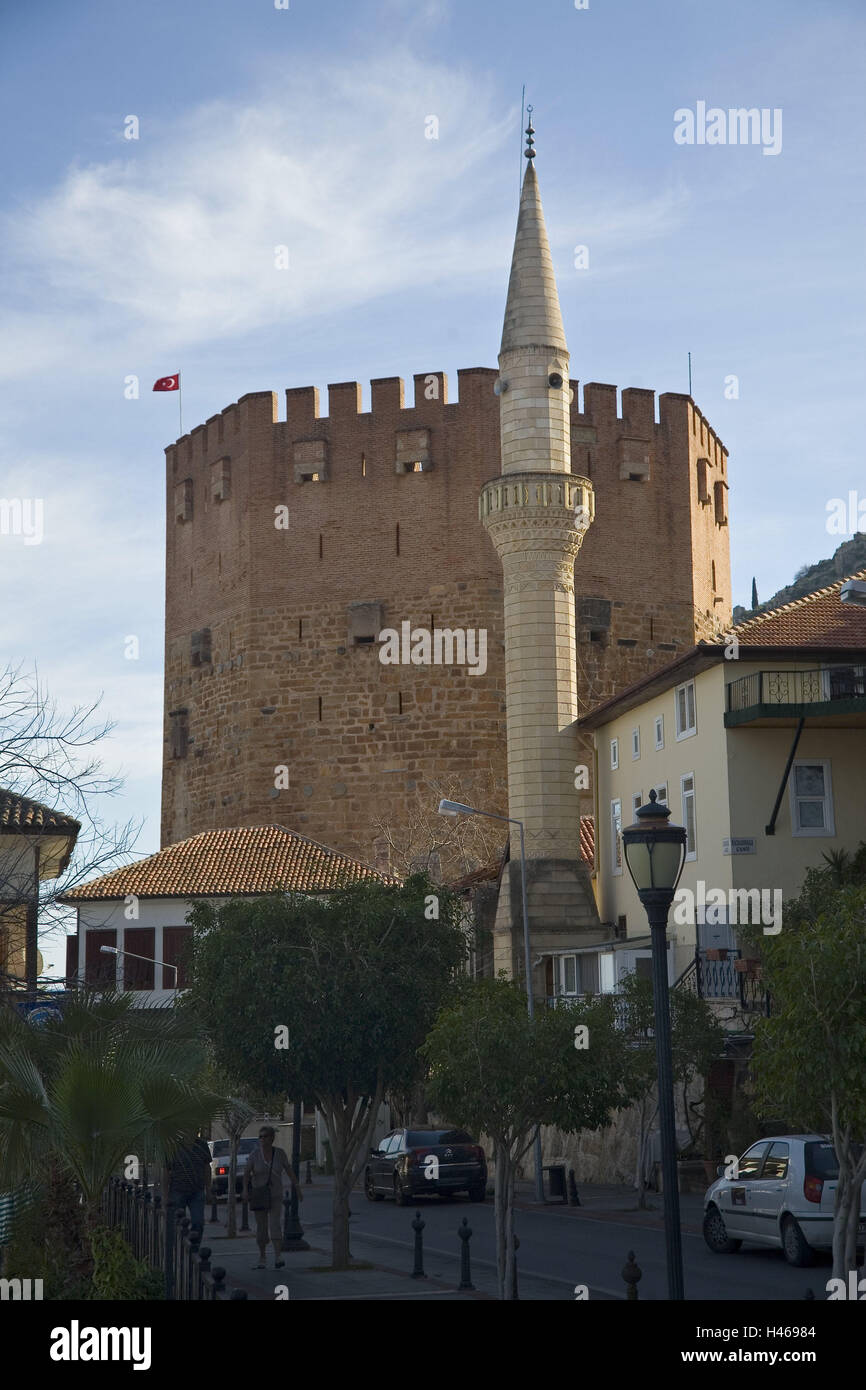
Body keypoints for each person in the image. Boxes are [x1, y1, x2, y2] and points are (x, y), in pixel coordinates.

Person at [244, 1125, 302, 1270]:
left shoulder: (280, 1154)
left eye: (265, 1136)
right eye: (260, 1137)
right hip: (259, 1195)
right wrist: (245, 1190)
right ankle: (262, 1256)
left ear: (272, 1138)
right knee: (261, 1227)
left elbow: (288, 1170)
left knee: (275, 1224)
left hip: (275, 1194)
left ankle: (278, 1256)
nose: (262, 1139)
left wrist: (297, 1187)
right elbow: (246, 1173)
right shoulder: (255, 1155)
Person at [166, 1132, 213, 1233]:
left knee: (198, 1222)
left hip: (197, 1191)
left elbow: (207, 1168)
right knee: (176, 1223)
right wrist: (165, 1194)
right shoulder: (174, 1146)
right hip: (178, 1190)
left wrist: (208, 1189)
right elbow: (166, 1171)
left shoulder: (202, 1145)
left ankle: (194, 1246)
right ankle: (179, 1246)